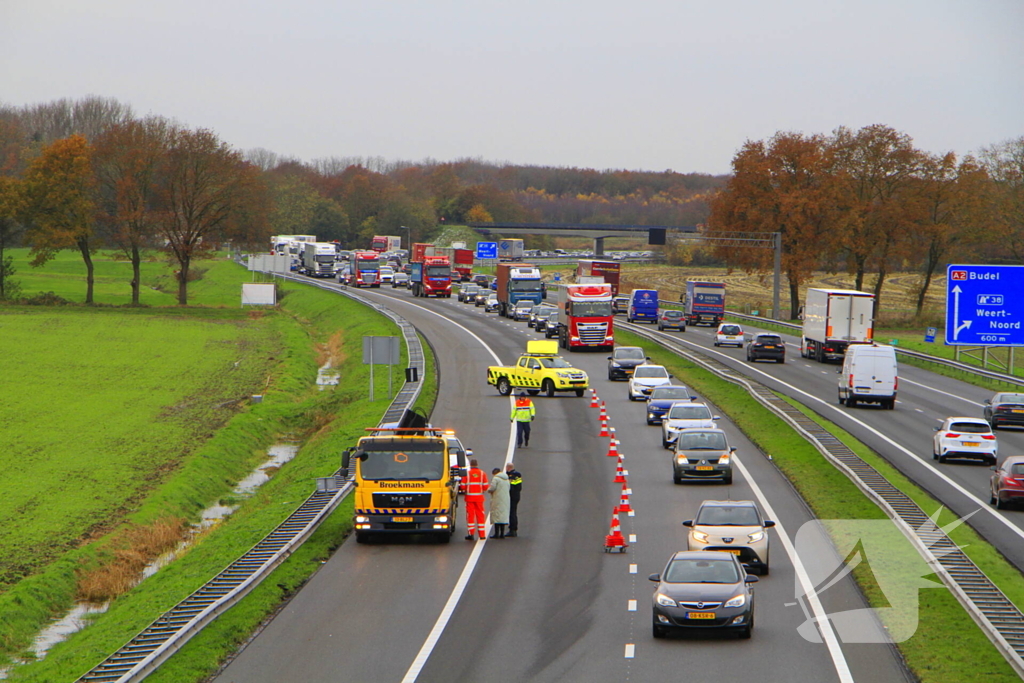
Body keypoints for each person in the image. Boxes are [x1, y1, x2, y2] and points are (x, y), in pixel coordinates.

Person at [464, 458, 489, 540]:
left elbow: (462, 486)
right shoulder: (482, 473)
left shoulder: (467, 474)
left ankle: (471, 534)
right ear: (477, 465)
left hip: (469, 498)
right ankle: (482, 535)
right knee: (480, 515)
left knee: (470, 516)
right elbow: (485, 486)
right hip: (479, 498)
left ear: (470, 465)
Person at [488, 466, 510, 539]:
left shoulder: (496, 479)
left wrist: (489, 490)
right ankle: (502, 534)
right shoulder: (506, 479)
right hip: (506, 499)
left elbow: (492, 488)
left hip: (497, 499)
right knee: (503, 516)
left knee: (496, 515)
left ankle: (496, 533)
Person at [505, 462, 522, 537]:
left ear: (508, 468)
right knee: (513, 512)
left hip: (512, 496)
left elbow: (510, 487)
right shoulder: (518, 474)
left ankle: (512, 529)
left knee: (512, 513)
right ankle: (513, 528)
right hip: (517, 495)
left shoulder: (511, 476)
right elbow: (519, 487)